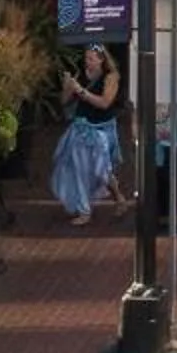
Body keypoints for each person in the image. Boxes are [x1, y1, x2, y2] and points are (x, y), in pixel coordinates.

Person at [52, 45, 122, 224]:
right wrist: (68, 86)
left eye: (91, 59)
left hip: (102, 129)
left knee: (102, 171)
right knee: (78, 169)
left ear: (101, 60)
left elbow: (105, 103)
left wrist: (81, 91)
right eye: (86, 59)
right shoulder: (80, 75)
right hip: (81, 128)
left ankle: (119, 198)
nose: (88, 62)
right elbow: (64, 101)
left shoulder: (111, 77)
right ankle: (84, 210)